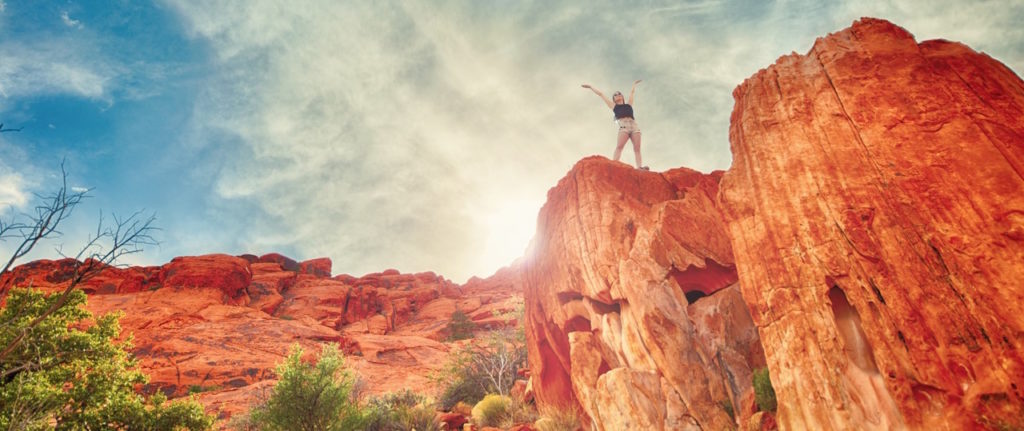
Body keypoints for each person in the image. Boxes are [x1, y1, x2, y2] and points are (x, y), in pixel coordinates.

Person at [581, 80, 647, 170]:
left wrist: (634, 84)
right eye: (615, 95)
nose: (618, 94)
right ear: (614, 99)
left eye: (619, 93)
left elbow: (632, 93)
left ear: (622, 97)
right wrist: (590, 87)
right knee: (619, 147)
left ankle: (640, 167)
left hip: (635, 127)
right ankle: (614, 165)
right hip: (624, 128)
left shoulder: (629, 105)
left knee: (637, 148)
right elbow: (601, 94)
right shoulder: (614, 106)